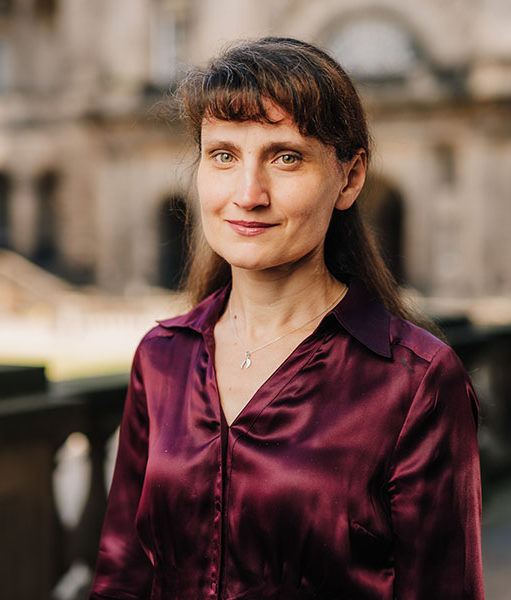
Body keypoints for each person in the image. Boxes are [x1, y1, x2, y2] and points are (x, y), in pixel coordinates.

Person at [89, 37, 484, 600]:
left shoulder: (414, 380)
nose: (248, 194)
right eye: (223, 155)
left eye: (285, 156)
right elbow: (122, 573)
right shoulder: (163, 356)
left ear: (349, 179)